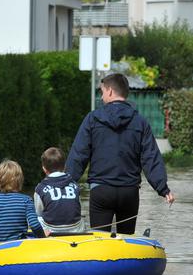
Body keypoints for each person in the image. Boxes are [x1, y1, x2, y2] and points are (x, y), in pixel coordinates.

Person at [66, 73, 175, 235]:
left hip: (101, 191)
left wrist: (66, 182)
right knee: (126, 240)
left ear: (110, 91)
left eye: (102, 92)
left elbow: (79, 154)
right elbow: (150, 157)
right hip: (129, 192)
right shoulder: (140, 121)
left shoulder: (93, 119)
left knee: (99, 240)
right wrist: (163, 188)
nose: (101, 96)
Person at [0, 160, 47, 247]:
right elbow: (34, 225)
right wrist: (43, 238)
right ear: (20, 181)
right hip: (18, 247)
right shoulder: (26, 200)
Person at [34, 147, 84, 233]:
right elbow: (78, 208)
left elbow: (39, 212)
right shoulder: (75, 186)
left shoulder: (40, 189)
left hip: (51, 231)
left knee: (35, 217)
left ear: (44, 169)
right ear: (65, 167)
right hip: (76, 230)